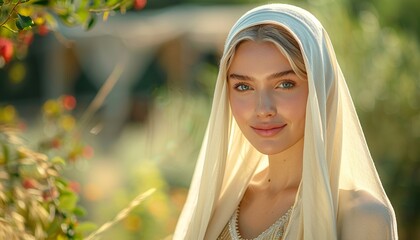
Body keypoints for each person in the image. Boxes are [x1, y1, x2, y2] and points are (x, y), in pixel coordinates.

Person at [173, 3, 398, 240]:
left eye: (285, 84)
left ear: (320, 87)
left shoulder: (360, 217)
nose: (263, 109)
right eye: (243, 87)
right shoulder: (218, 207)